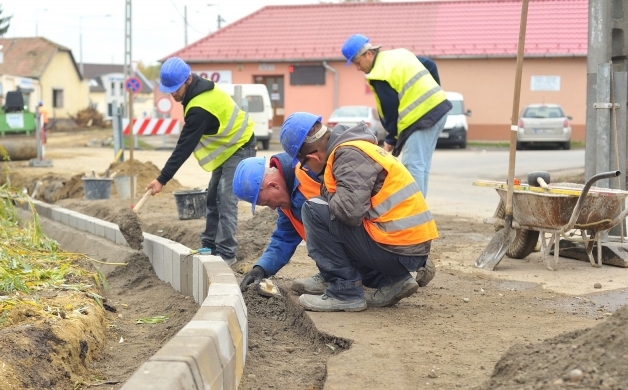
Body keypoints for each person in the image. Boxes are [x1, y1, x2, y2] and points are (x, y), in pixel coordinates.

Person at [280, 112, 438, 312]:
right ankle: (393, 280)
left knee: (314, 210)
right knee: (325, 210)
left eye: (305, 165)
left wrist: (328, 192)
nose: (308, 169)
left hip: (400, 248)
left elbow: (349, 212)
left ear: (312, 156)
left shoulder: (348, 155)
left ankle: (344, 292)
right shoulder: (356, 148)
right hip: (405, 246)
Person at [145, 57, 256, 266]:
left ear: (188, 80)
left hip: (241, 146)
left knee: (225, 200)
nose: (173, 93)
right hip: (227, 149)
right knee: (212, 197)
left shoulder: (199, 107)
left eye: (175, 88)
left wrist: (162, 179)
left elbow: (183, 147)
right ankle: (210, 246)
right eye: (169, 89)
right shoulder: (197, 91)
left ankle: (226, 254)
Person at [341, 34, 451, 199]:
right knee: (422, 165)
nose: (358, 68)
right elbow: (430, 65)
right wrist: (435, 95)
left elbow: (390, 108)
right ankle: (421, 210)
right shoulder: (399, 55)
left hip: (421, 118)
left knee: (412, 166)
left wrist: (391, 139)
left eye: (357, 63)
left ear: (368, 54)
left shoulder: (379, 73)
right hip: (439, 110)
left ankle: (416, 214)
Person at [233, 150, 334, 295]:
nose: (272, 207)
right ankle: (333, 274)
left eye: (267, 201)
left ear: (273, 185)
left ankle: (341, 282)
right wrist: (261, 268)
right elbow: (284, 237)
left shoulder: (312, 172)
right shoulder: (287, 202)